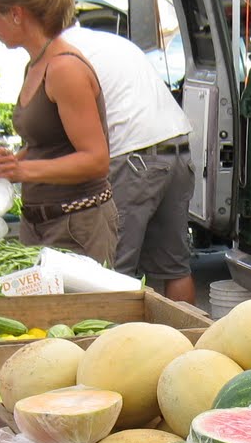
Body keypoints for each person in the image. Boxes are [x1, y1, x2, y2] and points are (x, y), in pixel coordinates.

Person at [0, 0, 118, 264]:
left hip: (76, 226)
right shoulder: (35, 65)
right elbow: (49, 144)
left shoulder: (64, 68)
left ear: (16, 13)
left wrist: (22, 172)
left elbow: (96, 159)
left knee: (79, 312)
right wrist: (15, 161)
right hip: (40, 222)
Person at [60, 25, 197, 303]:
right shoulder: (107, 40)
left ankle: (113, 345)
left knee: (111, 273)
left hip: (133, 157)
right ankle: (192, 343)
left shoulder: (60, 55)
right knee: (175, 268)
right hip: (178, 149)